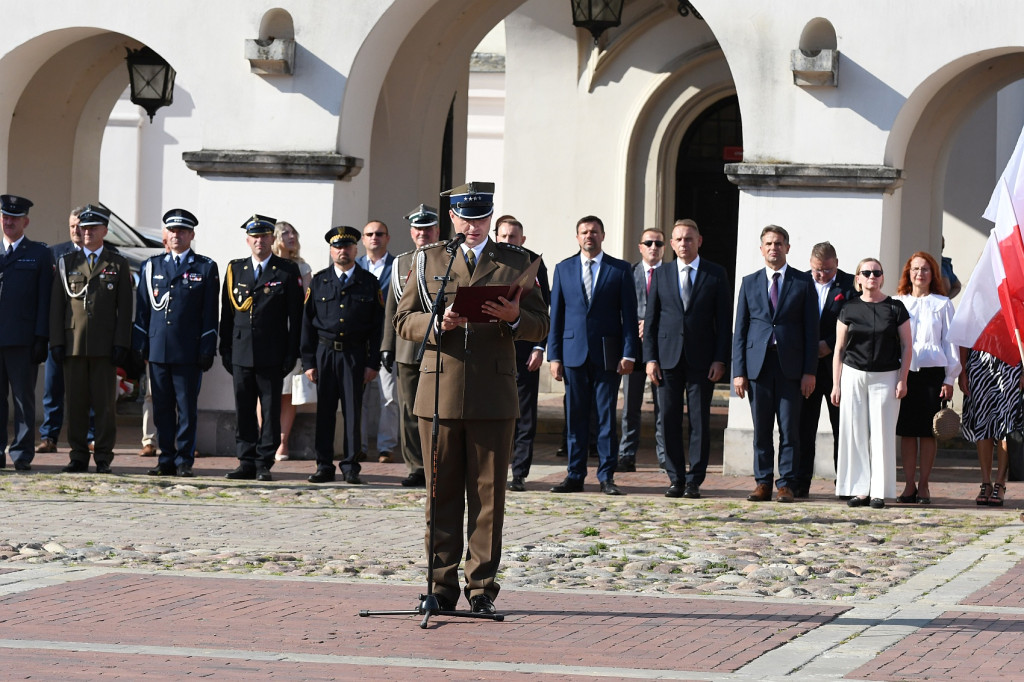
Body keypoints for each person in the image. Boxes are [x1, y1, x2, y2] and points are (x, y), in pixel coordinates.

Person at [394, 181, 548, 615]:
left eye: (480, 217)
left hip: (492, 391)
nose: (472, 225)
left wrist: (517, 317)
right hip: (439, 388)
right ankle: (440, 587)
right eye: (464, 217)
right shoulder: (428, 259)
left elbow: (542, 324)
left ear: (491, 218)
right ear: (453, 220)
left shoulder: (518, 261)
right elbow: (403, 320)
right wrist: (435, 320)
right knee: (440, 493)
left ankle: (481, 588)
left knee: (487, 496)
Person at [548, 215, 639, 496]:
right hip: (573, 354)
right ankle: (575, 474)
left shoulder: (620, 270)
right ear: (577, 237)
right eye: (584, 232)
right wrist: (554, 356)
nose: (589, 236)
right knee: (575, 418)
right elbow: (557, 316)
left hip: (607, 355)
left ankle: (606, 476)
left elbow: (629, 316)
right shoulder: (563, 269)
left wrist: (629, 354)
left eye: (594, 232)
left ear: (603, 235)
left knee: (605, 418)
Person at [644, 219, 731, 498]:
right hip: (667, 359)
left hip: (702, 360)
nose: (684, 244)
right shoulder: (662, 274)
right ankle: (676, 478)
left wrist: (720, 359)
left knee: (699, 421)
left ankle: (695, 479)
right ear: (671, 243)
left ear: (699, 241)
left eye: (689, 239)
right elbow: (652, 320)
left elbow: (723, 321)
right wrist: (650, 359)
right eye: (679, 239)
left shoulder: (716, 274)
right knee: (668, 419)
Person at [732, 225, 818, 503]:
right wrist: (739, 372)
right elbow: (740, 330)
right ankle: (763, 482)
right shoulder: (749, 282)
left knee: (790, 429)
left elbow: (811, 331)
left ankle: (786, 484)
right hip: (758, 366)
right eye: (769, 243)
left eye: (779, 243)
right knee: (762, 429)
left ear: (788, 248)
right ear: (761, 249)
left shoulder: (803, 283)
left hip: (791, 368)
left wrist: (809, 371)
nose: (773, 248)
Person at [132, 209, 219, 478]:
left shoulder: (205, 267)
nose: (176, 235)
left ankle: (184, 459)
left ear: (191, 235)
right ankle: (166, 457)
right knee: (162, 408)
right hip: (158, 349)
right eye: (172, 231)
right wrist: (139, 346)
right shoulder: (152, 266)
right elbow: (143, 311)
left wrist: (207, 347)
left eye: (182, 231)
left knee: (187, 409)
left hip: (188, 351)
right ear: (165, 235)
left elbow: (209, 313)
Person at [49, 204, 134, 474]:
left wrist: (122, 342)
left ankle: (104, 457)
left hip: (105, 346)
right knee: (75, 404)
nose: (86, 233)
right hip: (73, 343)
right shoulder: (67, 262)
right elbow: (57, 307)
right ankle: (77, 456)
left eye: (93, 228)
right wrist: (56, 342)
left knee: (105, 405)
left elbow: (125, 309)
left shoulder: (117, 263)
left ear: (104, 231)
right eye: (83, 228)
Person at [219, 214, 303, 482]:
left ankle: (264, 461)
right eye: (254, 236)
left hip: (272, 353)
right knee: (243, 408)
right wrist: (226, 349)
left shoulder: (286, 270)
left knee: (270, 411)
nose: (259, 241)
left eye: (264, 236)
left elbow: (296, 317)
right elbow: (227, 315)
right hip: (241, 352)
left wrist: (292, 353)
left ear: (271, 239)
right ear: (248, 240)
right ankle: (245, 460)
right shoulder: (235, 269)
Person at [303, 226, 384, 484]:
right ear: (331, 250)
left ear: (355, 249)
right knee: (325, 412)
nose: (342, 251)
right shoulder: (319, 281)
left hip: (354, 354)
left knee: (352, 412)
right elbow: (307, 324)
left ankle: (350, 466)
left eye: (347, 246)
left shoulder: (369, 283)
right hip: (325, 353)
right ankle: (324, 465)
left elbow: (377, 327)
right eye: (337, 247)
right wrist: (308, 362)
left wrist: (372, 363)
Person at [831, 258, 912, 509]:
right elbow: (839, 349)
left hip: (886, 376)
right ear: (858, 279)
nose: (871, 277)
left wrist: (903, 379)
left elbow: (907, 346)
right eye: (866, 273)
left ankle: (879, 491)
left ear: (882, 277)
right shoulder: (848, 308)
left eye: (876, 272)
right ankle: (859, 489)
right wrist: (836, 384)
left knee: (882, 433)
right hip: (854, 374)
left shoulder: (895, 308)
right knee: (855, 433)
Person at [381, 205, 440, 488]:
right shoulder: (401, 263)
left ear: (437, 230)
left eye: (428, 228)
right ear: (411, 232)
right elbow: (392, 309)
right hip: (407, 348)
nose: (423, 234)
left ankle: (438, 462)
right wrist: (386, 346)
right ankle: (416, 465)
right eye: (418, 229)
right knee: (409, 410)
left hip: (441, 346)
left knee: (440, 409)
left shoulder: (448, 259)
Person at [894, 252, 960, 505]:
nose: (919, 273)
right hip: (905, 374)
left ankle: (924, 486)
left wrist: (950, 379)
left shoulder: (942, 304)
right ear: (908, 273)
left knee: (928, 432)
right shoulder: (898, 302)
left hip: (933, 374)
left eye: (924, 269)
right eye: (914, 269)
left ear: (932, 274)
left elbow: (950, 342)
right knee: (908, 432)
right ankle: (908, 485)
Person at [493, 215, 550, 491]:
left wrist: (540, 347)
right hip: (492, 349)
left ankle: (519, 473)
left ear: (522, 239)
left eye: (512, 237)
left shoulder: (534, 264)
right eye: (502, 236)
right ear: (495, 236)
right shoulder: (486, 261)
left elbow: (544, 309)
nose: (507, 241)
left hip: (526, 349)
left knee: (524, 414)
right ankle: (493, 467)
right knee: (494, 412)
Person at [796, 242, 855, 498]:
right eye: (818, 270)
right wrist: (810, 348)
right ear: (811, 264)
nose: (822, 275)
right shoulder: (799, 282)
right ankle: (800, 482)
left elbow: (855, 322)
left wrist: (830, 345)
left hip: (838, 369)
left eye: (828, 270)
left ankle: (843, 483)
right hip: (806, 368)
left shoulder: (851, 285)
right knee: (803, 428)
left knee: (841, 427)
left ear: (837, 263)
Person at [0, 195, 52, 471]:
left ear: (25, 222)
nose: (9, 222)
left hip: (22, 340)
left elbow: (45, 300)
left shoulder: (40, 254)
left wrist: (41, 338)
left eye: (15, 218)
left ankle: (21, 453)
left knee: (23, 400)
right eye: (5, 217)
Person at [618, 228, 666, 474]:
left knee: (662, 403)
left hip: (661, 345)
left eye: (658, 243)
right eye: (648, 243)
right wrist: (635, 323)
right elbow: (620, 305)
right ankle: (627, 454)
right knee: (631, 403)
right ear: (640, 246)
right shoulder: (629, 272)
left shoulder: (669, 274)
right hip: (634, 345)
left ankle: (664, 454)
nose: (653, 247)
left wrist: (651, 323)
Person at [38, 207, 85, 454]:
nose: (76, 230)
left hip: (85, 333)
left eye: (79, 225)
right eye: (71, 226)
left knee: (85, 388)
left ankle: (89, 436)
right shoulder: (54, 253)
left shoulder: (102, 255)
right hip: (58, 332)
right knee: (53, 387)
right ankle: (49, 436)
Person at [357, 220, 399, 463]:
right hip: (359, 341)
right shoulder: (355, 265)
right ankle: (359, 445)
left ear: (388, 237)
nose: (375, 238)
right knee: (359, 396)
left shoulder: (397, 266)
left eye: (379, 234)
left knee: (389, 396)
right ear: (363, 239)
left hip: (386, 340)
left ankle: (386, 447)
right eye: (370, 234)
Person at [272, 220, 314, 461]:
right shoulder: (268, 264)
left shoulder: (302, 267)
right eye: (285, 233)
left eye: (293, 232)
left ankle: (282, 442)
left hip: (292, 336)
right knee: (266, 392)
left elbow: (307, 306)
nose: (291, 236)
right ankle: (265, 437)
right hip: (268, 337)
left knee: (288, 393)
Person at [959, 348, 1022, 507]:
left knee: (1006, 424)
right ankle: (986, 482)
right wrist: (963, 371)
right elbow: (964, 336)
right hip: (979, 363)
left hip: (1010, 363)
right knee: (982, 422)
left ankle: (1000, 483)